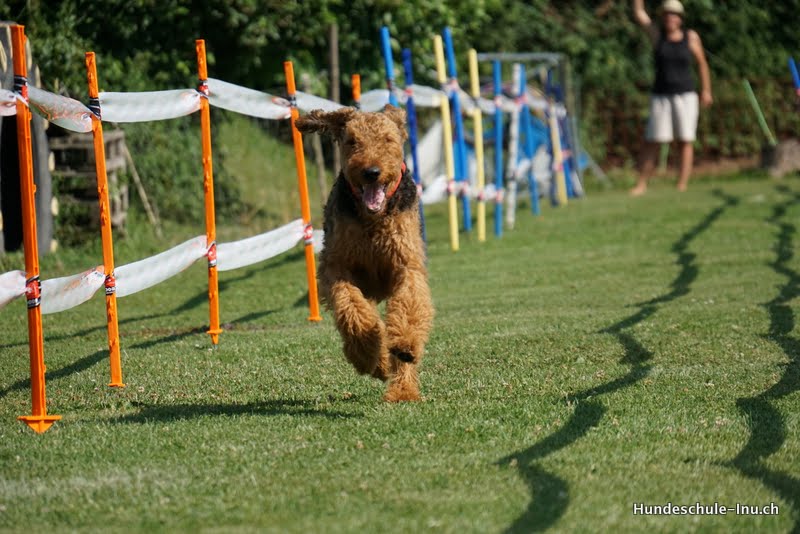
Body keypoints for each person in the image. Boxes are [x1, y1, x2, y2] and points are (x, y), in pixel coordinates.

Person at [631, 0, 712, 195]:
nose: (670, 17)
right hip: (660, 96)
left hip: (686, 95)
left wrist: (706, 90)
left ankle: (682, 184)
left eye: (674, 14)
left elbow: (702, 63)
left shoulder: (690, 37)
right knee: (653, 140)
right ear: (663, 17)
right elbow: (639, 13)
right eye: (667, 14)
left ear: (680, 18)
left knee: (685, 140)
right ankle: (641, 184)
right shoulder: (657, 36)